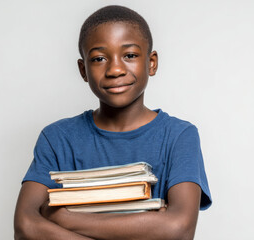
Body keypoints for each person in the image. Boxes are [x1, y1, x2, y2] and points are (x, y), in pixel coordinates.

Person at [14, 5, 212, 240]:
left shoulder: (179, 135)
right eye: (99, 58)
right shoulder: (57, 138)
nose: (115, 69)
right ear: (83, 70)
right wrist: (152, 225)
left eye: (129, 55)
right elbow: (25, 226)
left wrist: (64, 218)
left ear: (151, 62)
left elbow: (178, 229)